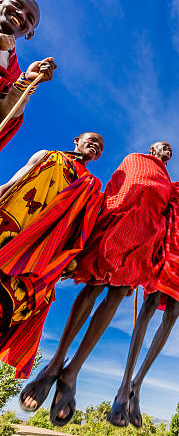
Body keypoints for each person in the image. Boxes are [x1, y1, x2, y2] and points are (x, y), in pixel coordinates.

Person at [20, 141, 173, 426]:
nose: (164, 150)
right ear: (151, 149)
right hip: (117, 223)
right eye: (160, 146)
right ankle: (55, 364)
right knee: (93, 286)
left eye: (169, 150)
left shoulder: (168, 181)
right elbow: (119, 186)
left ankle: (72, 371)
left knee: (114, 299)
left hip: (143, 239)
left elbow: (165, 213)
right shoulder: (134, 158)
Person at [108, 167, 179, 428]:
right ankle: (123, 387)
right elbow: (155, 205)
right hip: (169, 247)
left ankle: (137, 385)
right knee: (150, 304)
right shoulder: (176, 187)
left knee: (173, 314)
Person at [0, 133, 104, 381]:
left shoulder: (91, 186)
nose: (96, 146)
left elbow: (82, 231)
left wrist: (73, 261)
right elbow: (15, 182)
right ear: (76, 140)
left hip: (40, 260)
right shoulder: (47, 156)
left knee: (8, 309)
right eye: (92, 140)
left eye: (100, 147)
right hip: (12, 231)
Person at [0, 0, 56, 149]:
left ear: (29, 34)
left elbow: (6, 116)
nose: (21, 14)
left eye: (30, 19)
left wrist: (27, 81)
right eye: (17, 5)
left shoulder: (14, 72)